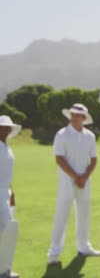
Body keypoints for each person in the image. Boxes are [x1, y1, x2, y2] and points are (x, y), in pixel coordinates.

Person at [47, 104, 100, 265]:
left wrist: (84, 177)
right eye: (73, 114)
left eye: (78, 115)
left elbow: (94, 159)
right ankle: (54, 253)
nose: (75, 117)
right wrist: (75, 176)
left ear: (84, 118)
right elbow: (59, 158)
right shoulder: (62, 134)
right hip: (66, 180)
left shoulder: (90, 136)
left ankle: (84, 247)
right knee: (62, 214)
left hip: (85, 180)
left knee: (84, 213)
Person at [0, 116, 21, 278]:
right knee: (10, 228)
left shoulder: (8, 148)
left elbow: (7, 174)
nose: (5, 130)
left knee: (7, 231)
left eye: (7, 128)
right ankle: (4, 270)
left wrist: (11, 192)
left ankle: (5, 269)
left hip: (5, 194)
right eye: (2, 127)